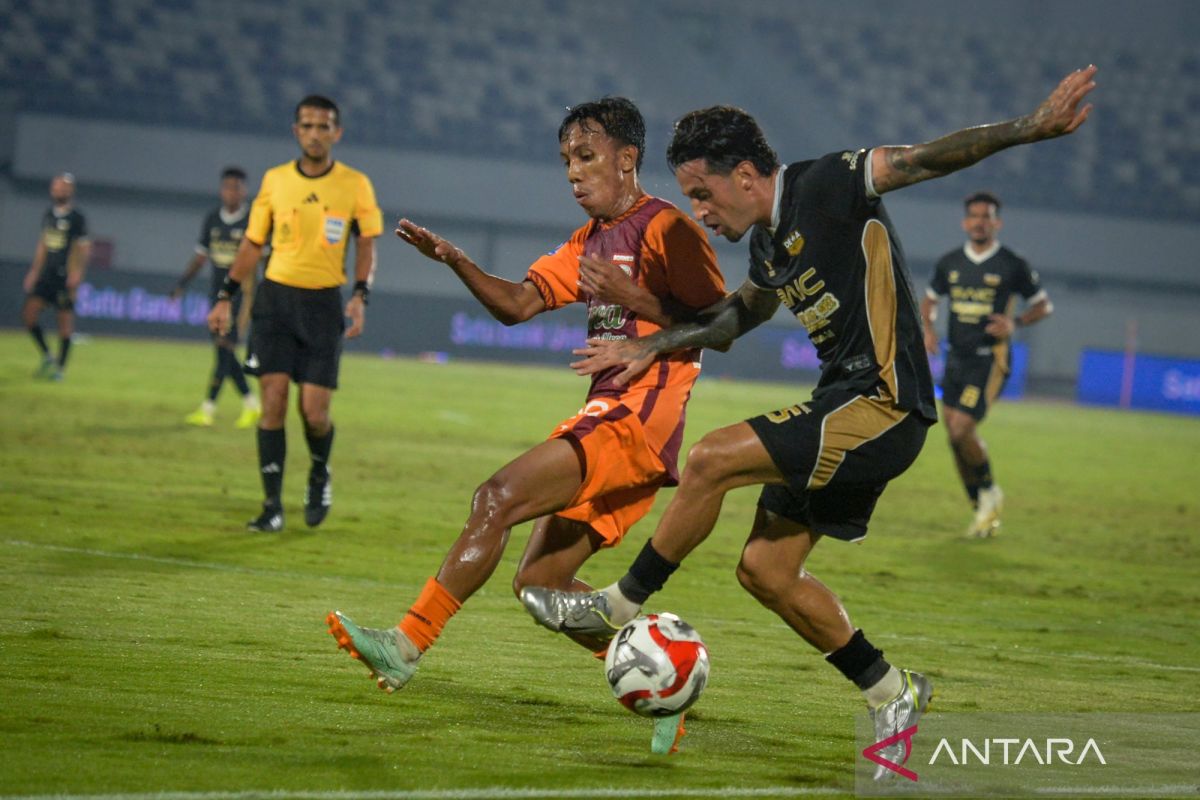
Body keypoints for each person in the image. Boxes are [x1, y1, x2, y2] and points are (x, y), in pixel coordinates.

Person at [521, 66, 1096, 776]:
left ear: (747, 175)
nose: (699, 209)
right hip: (843, 406)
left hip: (884, 404)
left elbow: (923, 157)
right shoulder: (766, 244)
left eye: (703, 192)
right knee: (766, 570)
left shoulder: (829, 184)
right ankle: (893, 692)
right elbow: (735, 319)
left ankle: (617, 602)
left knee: (708, 459)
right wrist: (652, 342)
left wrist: (1028, 129)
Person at [324, 97, 727, 755]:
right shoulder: (590, 240)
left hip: (636, 426)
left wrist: (635, 304)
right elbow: (517, 303)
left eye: (587, 156)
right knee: (539, 587)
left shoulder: (668, 231)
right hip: (611, 425)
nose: (573, 172)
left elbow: (723, 322)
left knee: (496, 497)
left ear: (628, 159)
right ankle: (667, 688)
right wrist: (455, 259)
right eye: (567, 160)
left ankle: (405, 645)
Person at [207, 95, 382, 532]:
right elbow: (252, 244)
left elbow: (366, 244)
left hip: (323, 305)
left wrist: (360, 294)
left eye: (324, 127)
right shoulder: (274, 181)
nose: (316, 134)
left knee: (315, 413)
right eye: (307, 126)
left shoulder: (355, 184)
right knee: (273, 403)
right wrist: (226, 295)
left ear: (336, 133)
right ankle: (271, 507)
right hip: (276, 302)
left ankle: (319, 473)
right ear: (296, 132)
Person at [921, 192, 1053, 537]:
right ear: (965, 222)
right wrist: (928, 329)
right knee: (953, 437)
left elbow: (1043, 305)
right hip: (956, 358)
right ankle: (980, 506)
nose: (980, 222)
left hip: (990, 358)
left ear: (997, 223)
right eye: (974, 216)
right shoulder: (950, 262)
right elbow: (930, 300)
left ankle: (990, 491)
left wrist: (1016, 324)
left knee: (962, 428)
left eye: (987, 216)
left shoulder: (1011, 263)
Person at [173, 167, 262, 429]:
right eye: (227, 187)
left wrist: (252, 300)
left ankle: (208, 408)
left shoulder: (253, 220)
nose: (231, 192)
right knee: (224, 352)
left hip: (240, 297)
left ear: (244, 190)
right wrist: (182, 284)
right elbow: (201, 256)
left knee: (224, 349)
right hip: (217, 296)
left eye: (236, 187)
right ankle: (251, 404)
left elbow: (261, 261)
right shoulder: (213, 218)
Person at [21, 173, 91, 381]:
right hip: (46, 275)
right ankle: (47, 355)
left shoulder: (77, 218)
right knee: (29, 315)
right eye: (55, 187)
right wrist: (34, 271)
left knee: (64, 323)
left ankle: (60, 369)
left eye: (62, 187)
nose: (58, 190)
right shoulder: (49, 214)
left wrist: (77, 274)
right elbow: (43, 243)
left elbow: (83, 248)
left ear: (70, 191)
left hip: (64, 277)